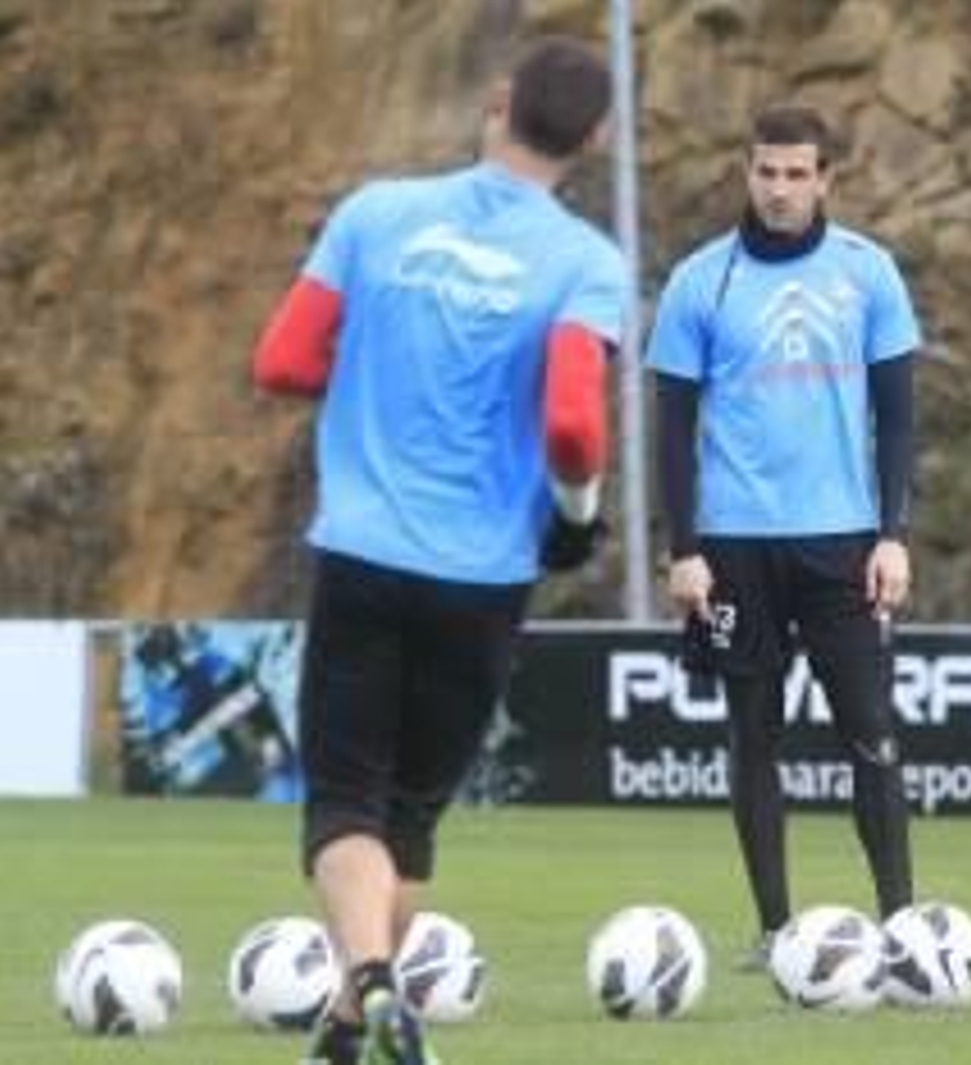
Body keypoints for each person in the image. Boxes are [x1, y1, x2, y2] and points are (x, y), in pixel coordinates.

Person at [252, 36, 622, 1065]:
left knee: (343, 805)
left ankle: (365, 989)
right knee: (407, 820)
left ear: (498, 105)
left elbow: (282, 360)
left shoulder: (376, 214)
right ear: (593, 137)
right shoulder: (586, 263)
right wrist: (579, 513)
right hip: (483, 577)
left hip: (363, 554)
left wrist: (378, 374)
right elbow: (574, 425)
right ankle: (349, 1024)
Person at [644, 103, 921, 967]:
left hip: (841, 543)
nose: (780, 188)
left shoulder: (869, 273)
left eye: (798, 173)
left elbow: (899, 418)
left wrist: (893, 533)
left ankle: (904, 929)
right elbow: (671, 430)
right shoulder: (700, 281)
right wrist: (683, 548)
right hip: (733, 548)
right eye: (767, 171)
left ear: (826, 178)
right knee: (752, 734)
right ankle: (773, 932)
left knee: (871, 733)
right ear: (746, 171)